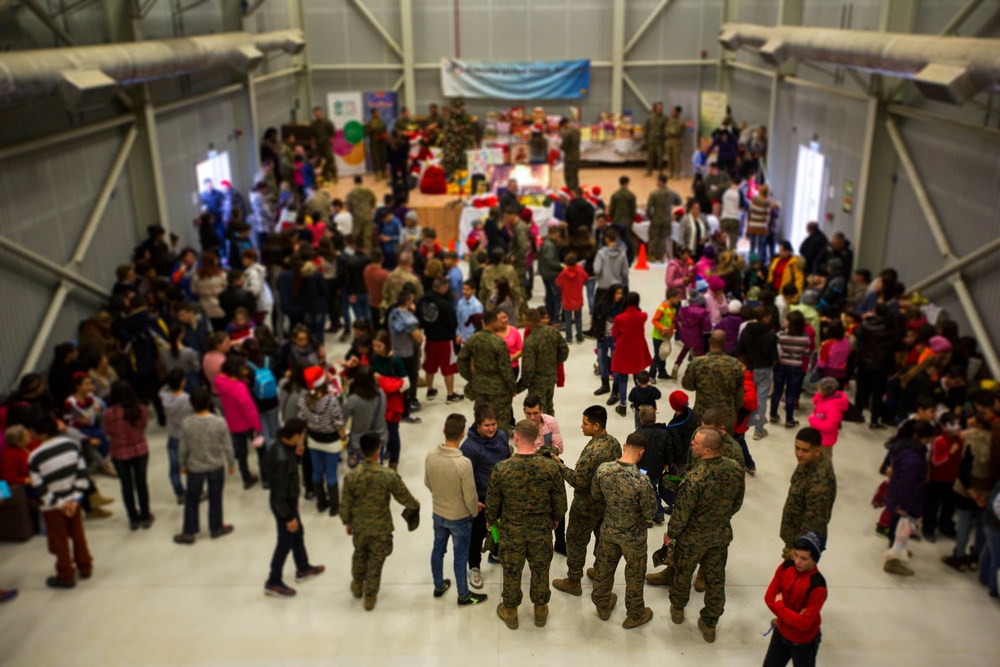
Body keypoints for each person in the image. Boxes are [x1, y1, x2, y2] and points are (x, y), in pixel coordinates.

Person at [665, 428, 745, 643]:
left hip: (692, 539)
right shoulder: (735, 469)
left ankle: (678, 608)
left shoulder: (695, 479)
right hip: (719, 536)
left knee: (683, 573)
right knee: (715, 579)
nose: (692, 444)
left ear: (707, 450)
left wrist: (670, 534)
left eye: (696, 443)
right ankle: (710, 622)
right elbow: (737, 502)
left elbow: (681, 513)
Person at [487, 419, 568, 630]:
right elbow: (560, 503)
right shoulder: (550, 467)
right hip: (541, 530)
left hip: (511, 531)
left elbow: (492, 503)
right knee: (540, 569)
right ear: (537, 437)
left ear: (516, 437)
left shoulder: (501, 469)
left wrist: (491, 521)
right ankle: (540, 610)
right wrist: (556, 517)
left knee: (512, 570)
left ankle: (511, 611)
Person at [341, 433, 420, 611]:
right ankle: (370, 595)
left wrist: (348, 522)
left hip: (359, 526)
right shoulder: (388, 475)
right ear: (378, 451)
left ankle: (357, 583)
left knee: (360, 553)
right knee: (376, 561)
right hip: (381, 527)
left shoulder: (352, 476)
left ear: (361, 450)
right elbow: (403, 497)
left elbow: (345, 503)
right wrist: (414, 504)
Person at [551, 406, 622, 596]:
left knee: (575, 541)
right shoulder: (614, 443)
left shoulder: (592, 452)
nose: (581, 426)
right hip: (606, 503)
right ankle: (599, 570)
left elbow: (579, 481)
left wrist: (560, 466)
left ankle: (574, 581)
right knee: (602, 537)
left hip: (585, 506)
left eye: (585, 423)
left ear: (596, 426)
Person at [591, 432, 658, 629]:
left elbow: (596, 494)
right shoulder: (642, 481)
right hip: (633, 537)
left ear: (623, 445)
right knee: (635, 575)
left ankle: (602, 604)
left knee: (604, 568)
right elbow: (651, 511)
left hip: (609, 529)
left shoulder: (603, 470)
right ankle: (635, 614)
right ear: (642, 452)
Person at [424, 413, 489, 606]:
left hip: (438, 512)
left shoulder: (430, 456)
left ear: (444, 431)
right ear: (462, 434)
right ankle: (463, 595)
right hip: (459, 517)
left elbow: (428, 483)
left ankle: (438, 585)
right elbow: (470, 496)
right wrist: (475, 510)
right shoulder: (463, 463)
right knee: (460, 556)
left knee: (438, 549)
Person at [27, 410, 94, 589]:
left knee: (59, 541)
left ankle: (65, 575)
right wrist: (75, 499)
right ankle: (85, 566)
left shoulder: (34, 457)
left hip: (53, 507)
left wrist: (58, 503)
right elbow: (82, 474)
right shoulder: (72, 445)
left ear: (38, 432)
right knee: (78, 535)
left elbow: (39, 487)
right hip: (74, 501)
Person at [264, 417, 326, 598]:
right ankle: (273, 581)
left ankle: (303, 567)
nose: (304, 437)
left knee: (297, 534)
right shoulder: (282, 458)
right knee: (285, 542)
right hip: (283, 505)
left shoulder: (282, 446)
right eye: (303, 435)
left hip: (288, 501)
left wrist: (296, 453)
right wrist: (288, 516)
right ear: (295, 435)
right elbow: (277, 494)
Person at [174, 388, 236, 544]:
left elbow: (183, 447)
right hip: (215, 465)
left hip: (194, 467)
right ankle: (216, 528)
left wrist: (182, 464)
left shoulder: (187, 423)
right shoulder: (219, 422)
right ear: (209, 402)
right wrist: (231, 463)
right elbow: (227, 445)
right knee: (215, 497)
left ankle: (189, 531)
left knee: (192, 499)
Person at [460, 404, 511, 590]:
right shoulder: (469, 447)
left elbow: (506, 461)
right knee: (477, 534)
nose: (491, 429)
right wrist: (474, 502)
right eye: (487, 425)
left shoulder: (502, 436)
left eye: (494, 424)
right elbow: (466, 478)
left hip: (501, 495)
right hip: (481, 499)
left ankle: (496, 552)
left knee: (499, 527)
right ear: (478, 425)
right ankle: (474, 566)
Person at [762, 531, 828, 667]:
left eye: (804, 558)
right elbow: (769, 598)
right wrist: (794, 617)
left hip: (803, 643)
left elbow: (805, 624)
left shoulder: (817, 586)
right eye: (796, 555)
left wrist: (780, 605)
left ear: (814, 559)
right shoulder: (786, 566)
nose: (797, 561)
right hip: (780, 634)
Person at [883, 420, 934, 576]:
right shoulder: (912, 457)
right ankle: (893, 561)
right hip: (905, 499)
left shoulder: (904, 446)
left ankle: (897, 549)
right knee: (901, 528)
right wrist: (904, 505)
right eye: (927, 439)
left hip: (899, 494)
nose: (929, 442)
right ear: (917, 435)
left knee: (897, 527)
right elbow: (907, 483)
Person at [103, 380, 153, 531]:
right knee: (141, 484)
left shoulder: (109, 413)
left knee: (126, 486)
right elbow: (144, 426)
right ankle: (145, 515)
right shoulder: (141, 409)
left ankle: (133, 518)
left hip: (119, 453)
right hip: (140, 449)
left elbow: (108, 432)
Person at [780, 428, 837, 560]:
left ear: (818, 451)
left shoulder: (820, 481)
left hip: (804, 546)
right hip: (794, 534)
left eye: (805, 450)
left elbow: (814, 522)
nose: (799, 454)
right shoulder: (807, 462)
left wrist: (798, 552)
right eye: (797, 448)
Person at [458, 310, 517, 434]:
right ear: (494, 323)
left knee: (482, 418)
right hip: (498, 389)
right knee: (500, 422)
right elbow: (505, 368)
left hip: (479, 386)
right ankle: (500, 450)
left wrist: (471, 377)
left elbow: (462, 360)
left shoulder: (473, 339)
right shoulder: (498, 342)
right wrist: (512, 387)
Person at [297, 366, 345, 516]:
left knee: (316, 472)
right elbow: (338, 424)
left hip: (313, 440)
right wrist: (344, 438)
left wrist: (300, 442)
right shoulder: (332, 401)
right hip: (331, 442)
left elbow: (302, 423)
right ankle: (335, 507)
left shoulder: (303, 400)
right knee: (331, 473)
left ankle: (321, 503)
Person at [215, 354, 262, 490]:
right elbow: (249, 409)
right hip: (247, 424)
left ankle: (246, 478)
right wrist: (257, 426)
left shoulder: (219, 381)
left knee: (242, 454)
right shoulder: (239, 388)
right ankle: (266, 477)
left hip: (232, 423)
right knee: (261, 449)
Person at [683, 330, 744, 434]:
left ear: (709, 341)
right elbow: (739, 397)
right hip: (725, 417)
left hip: (702, 415)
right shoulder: (735, 365)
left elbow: (687, 385)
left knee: (701, 445)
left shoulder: (697, 363)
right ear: (725, 343)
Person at [418, 276, 462, 404]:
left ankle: (430, 390)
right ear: (442, 287)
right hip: (444, 340)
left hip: (429, 339)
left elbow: (420, 318)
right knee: (448, 368)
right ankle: (450, 394)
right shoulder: (445, 304)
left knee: (429, 366)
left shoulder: (422, 300)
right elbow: (452, 324)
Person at [518, 308, 570, 416]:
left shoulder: (530, 340)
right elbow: (564, 350)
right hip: (551, 377)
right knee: (549, 405)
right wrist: (554, 363)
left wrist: (521, 386)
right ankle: (551, 428)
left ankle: (542, 432)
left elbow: (529, 368)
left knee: (537, 411)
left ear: (528, 322)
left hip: (537, 381)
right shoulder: (552, 331)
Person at [610, 292, 653, 418]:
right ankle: (638, 404)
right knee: (637, 378)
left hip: (623, 349)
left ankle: (622, 405)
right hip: (638, 349)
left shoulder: (619, 318)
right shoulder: (643, 316)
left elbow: (614, 333)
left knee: (623, 378)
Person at [770, 311, 812, 429]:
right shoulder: (805, 338)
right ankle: (789, 419)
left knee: (777, 391)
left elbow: (776, 350)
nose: (784, 321)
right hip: (795, 367)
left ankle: (773, 415)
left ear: (790, 323)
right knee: (790, 394)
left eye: (786, 319)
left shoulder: (780, 335)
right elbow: (806, 353)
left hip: (780, 366)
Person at [159, 370, 192, 504]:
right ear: (182, 382)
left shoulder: (164, 396)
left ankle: (180, 494)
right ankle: (195, 491)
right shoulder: (188, 399)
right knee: (191, 467)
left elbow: (164, 389)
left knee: (174, 468)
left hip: (173, 436)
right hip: (186, 437)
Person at [808, 378, 849, 460]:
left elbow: (829, 426)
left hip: (825, 440)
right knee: (815, 457)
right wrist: (820, 394)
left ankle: (826, 472)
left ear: (825, 391)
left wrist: (813, 419)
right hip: (818, 435)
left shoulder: (833, 408)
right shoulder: (825, 397)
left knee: (824, 459)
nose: (817, 389)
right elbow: (814, 401)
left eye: (819, 388)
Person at [646, 174, 681, 262]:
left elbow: (648, 208)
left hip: (656, 218)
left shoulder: (654, 193)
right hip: (667, 218)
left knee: (654, 237)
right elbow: (679, 201)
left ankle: (652, 255)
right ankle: (662, 256)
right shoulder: (672, 192)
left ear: (660, 182)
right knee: (664, 238)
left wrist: (650, 216)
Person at [555, 253, 587, 343]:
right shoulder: (580, 271)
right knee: (578, 319)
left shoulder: (564, 273)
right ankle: (579, 336)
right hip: (578, 299)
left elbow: (557, 282)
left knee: (568, 320)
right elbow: (586, 277)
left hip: (567, 299)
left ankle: (569, 337)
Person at [608, 176, 638, 262]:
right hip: (627, 221)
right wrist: (631, 219)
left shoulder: (615, 195)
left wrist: (613, 218)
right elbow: (633, 210)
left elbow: (611, 210)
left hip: (616, 220)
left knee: (616, 239)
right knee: (627, 239)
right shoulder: (631, 195)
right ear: (627, 183)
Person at [538, 226, 563, 324]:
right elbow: (551, 262)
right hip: (551, 274)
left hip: (545, 273)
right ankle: (555, 318)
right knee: (556, 296)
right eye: (557, 235)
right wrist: (561, 266)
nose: (558, 237)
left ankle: (549, 317)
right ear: (551, 234)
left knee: (549, 295)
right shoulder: (549, 246)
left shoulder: (547, 243)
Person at [347, 175, 377, 252]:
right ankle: (367, 255)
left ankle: (356, 255)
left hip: (357, 217)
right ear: (362, 181)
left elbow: (349, 206)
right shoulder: (368, 191)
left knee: (356, 237)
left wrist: (353, 212)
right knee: (367, 237)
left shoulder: (351, 193)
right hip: (368, 215)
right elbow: (373, 201)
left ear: (354, 182)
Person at [311, 106, 337, 182]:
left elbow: (333, 132)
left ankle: (334, 176)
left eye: (318, 113)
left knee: (330, 159)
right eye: (316, 114)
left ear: (321, 113)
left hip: (326, 144)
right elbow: (313, 135)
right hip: (319, 145)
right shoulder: (314, 124)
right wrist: (313, 142)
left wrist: (331, 139)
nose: (317, 115)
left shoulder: (327, 122)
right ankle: (325, 176)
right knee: (320, 161)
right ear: (314, 115)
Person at [644, 102, 667, 176]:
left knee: (660, 157)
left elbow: (666, 129)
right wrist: (644, 138)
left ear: (662, 108)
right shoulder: (650, 118)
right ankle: (649, 171)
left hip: (660, 140)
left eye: (660, 108)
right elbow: (647, 129)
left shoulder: (665, 118)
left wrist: (665, 138)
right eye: (658, 107)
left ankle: (660, 171)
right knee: (650, 157)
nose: (659, 109)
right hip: (651, 140)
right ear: (656, 108)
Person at [365, 109, 388, 180]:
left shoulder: (382, 122)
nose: (377, 114)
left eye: (378, 112)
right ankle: (377, 174)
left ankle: (383, 173)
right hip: (374, 143)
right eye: (376, 113)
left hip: (382, 142)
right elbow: (365, 133)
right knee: (375, 158)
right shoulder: (369, 123)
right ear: (372, 114)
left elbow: (385, 130)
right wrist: (371, 129)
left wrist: (385, 135)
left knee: (383, 157)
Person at [560, 118, 581, 192]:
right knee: (575, 174)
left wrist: (559, 146)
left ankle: (571, 191)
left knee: (569, 175)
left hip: (569, 156)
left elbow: (564, 147)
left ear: (564, 125)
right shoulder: (577, 131)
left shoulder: (567, 133)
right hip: (576, 155)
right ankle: (576, 188)